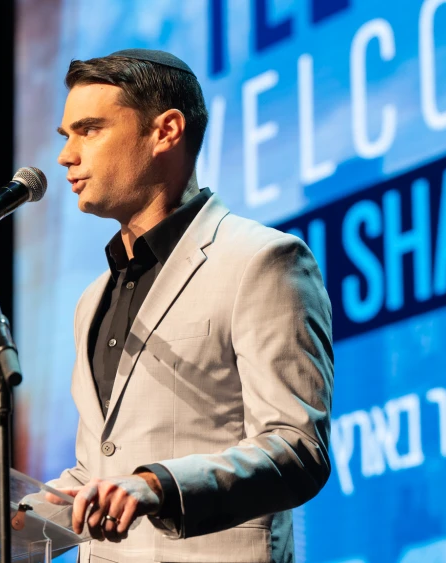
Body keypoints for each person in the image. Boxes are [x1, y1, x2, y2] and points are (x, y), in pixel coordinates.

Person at [39, 48, 335, 563]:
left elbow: (296, 449)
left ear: (166, 131)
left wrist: (157, 485)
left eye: (89, 129)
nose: (66, 156)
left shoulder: (261, 260)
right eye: (67, 137)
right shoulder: (92, 300)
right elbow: (98, 473)